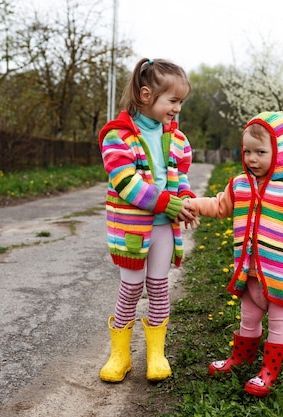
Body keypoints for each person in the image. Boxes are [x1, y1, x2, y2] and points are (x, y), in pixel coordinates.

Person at [186, 111, 283, 397]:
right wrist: (194, 204)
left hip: (281, 276)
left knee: (279, 323)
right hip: (250, 274)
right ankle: (241, 357)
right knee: (248, 317)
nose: (252, 159)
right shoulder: (240, 185)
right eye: (247, 151)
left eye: (260, 152)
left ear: (280, 152)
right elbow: (219, 206)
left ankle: (269, 370)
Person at [97, 58, 198, 383]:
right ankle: (120, 355)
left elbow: (178, 178)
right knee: (130, 288)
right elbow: (126, 183)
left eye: (180, 102)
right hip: (131, 229)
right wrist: (169, 204)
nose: (177, 109)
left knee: (158, 287)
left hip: (162, 230)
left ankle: (156, 354)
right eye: (172, 101)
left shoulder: (178, 140)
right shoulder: (117, 136)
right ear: (145, 95)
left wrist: (187, 200)